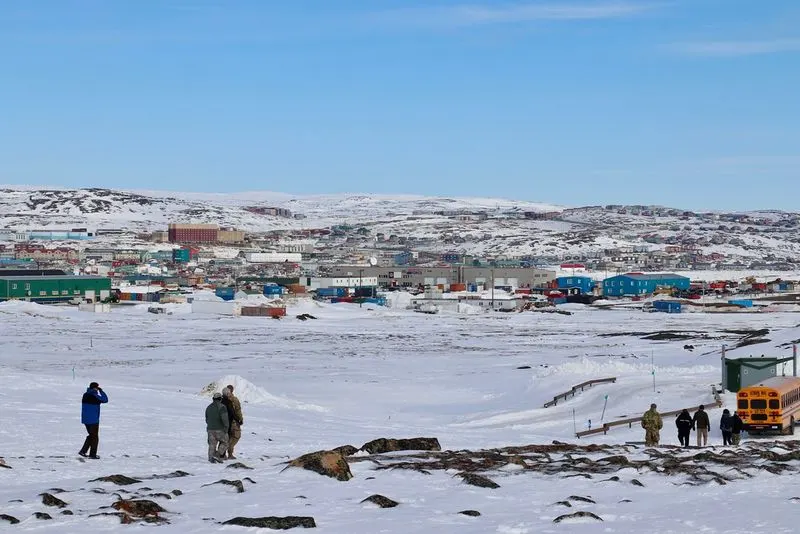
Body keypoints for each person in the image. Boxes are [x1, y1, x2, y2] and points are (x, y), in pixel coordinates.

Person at [79, 381, 109, 459]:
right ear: (96, 388)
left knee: (92, 435)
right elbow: (105, 400)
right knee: (95, 437)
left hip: (85, 419)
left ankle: (83, 451)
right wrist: (101, 391)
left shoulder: (85, 395)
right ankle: (92, 455)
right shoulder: (94, 396)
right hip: (93, 420)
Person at [206, 392, 229, 463]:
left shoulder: (208, 407)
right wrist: (226, 428)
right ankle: (217, 455)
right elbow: (225, 419)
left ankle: (210, 458)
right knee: (225, 443)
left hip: (210, 429)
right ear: (220, 399)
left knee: (212, 444)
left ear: (213, 399)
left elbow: (207, 419)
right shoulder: (222, 407)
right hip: (220, 429)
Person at [222, 385, 244, 460]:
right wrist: (240, 419)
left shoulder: (221, 399)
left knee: (226, 437)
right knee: (236, 436)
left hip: (224, 422)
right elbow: (238, 411)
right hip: (234, 422)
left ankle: (223, 453)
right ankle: (229, 453)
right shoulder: (234, 399)